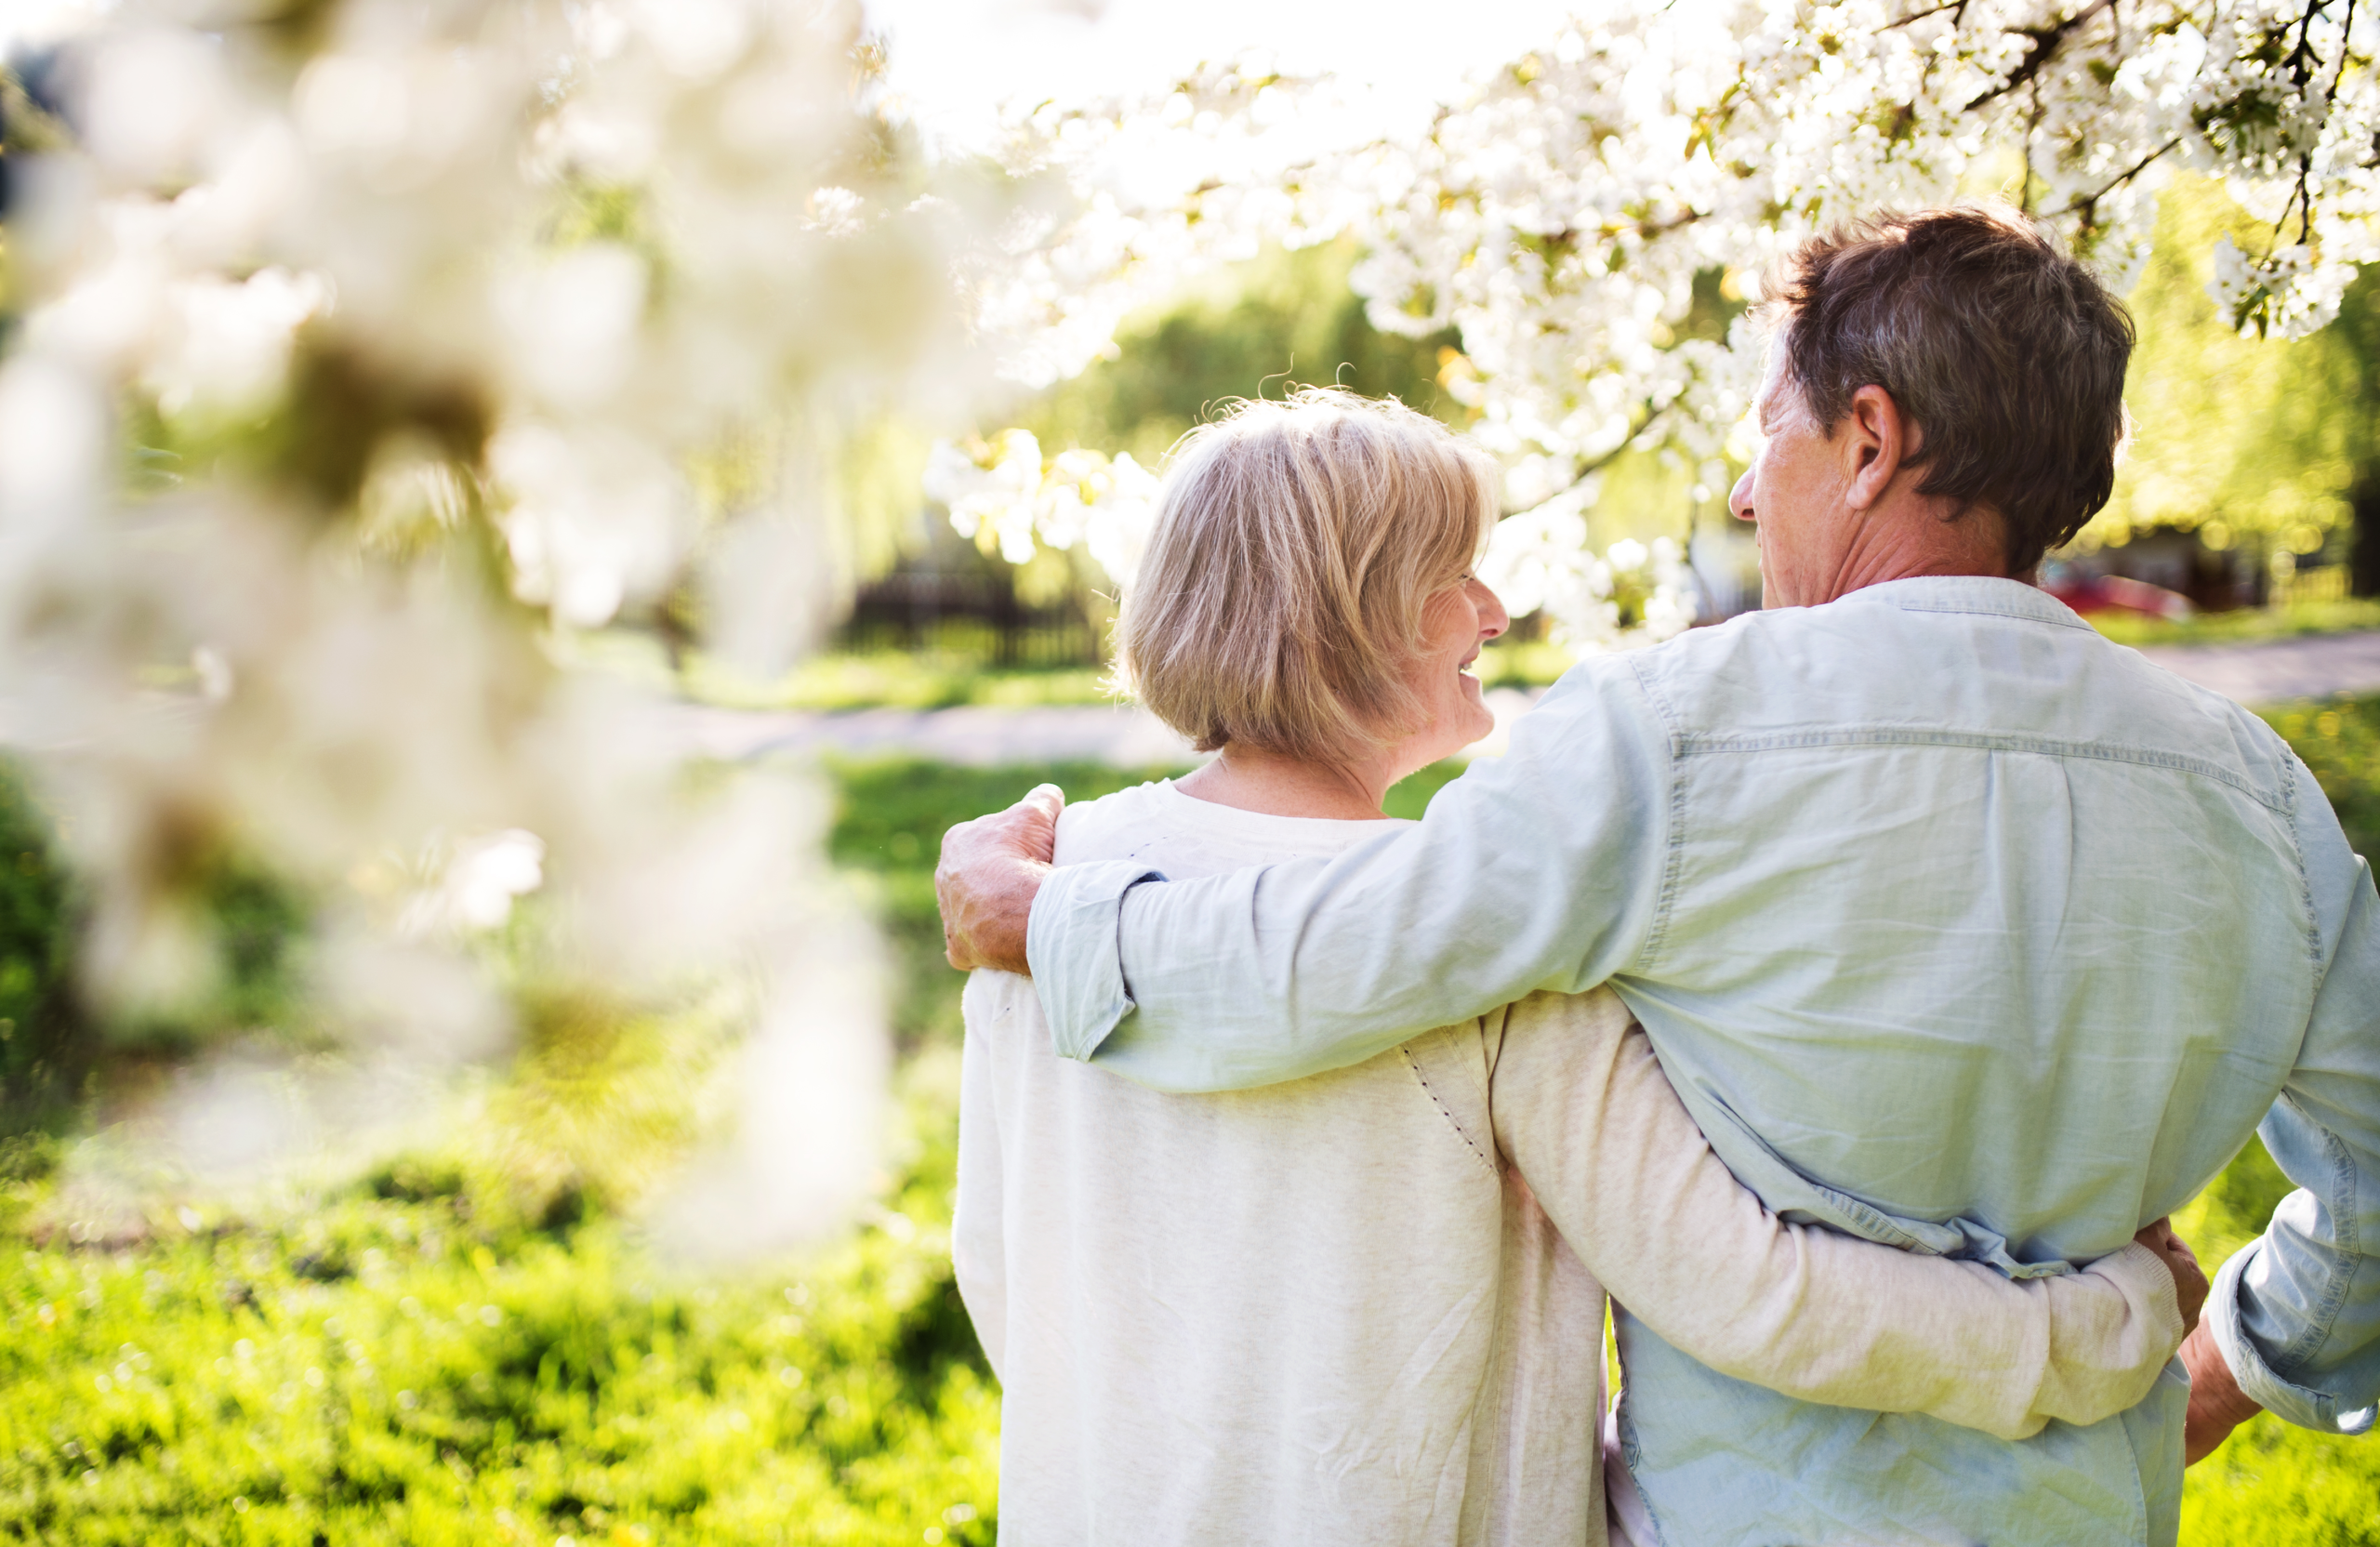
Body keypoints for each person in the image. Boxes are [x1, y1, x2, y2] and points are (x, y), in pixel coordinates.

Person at [939, 206, 2380, 1547]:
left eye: (1772, 437)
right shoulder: (2263, 798)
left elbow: (1344, 953)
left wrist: (1057, 927)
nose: (1750, 494)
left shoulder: (1669, 741)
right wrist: (2223, 1358)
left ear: (1870, 441)